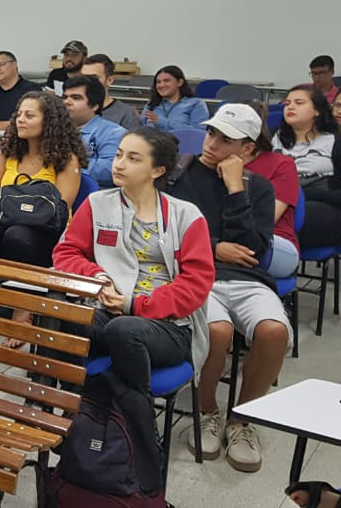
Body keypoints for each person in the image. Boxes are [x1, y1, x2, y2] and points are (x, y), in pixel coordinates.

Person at [52, 127, 215, 495]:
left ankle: (142, 445)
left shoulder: (186, 216)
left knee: (123, 330)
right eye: (119, 154)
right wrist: (98, 278)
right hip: (109, 311)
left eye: (133, 158)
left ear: (158, 171)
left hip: (168, 326)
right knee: (64, 316)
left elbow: (195, 286)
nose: (119, 163)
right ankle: (68, 415)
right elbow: (65, 254)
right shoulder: (98, 204)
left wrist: (133, 304)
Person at [168, 104, 288, 473]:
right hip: (197, 274)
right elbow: (169, 235)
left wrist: (236, 188)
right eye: (211, 134)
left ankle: (241, 420)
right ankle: (207, 412)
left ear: (248, 149)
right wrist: (215, 245)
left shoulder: (259, 187)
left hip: (246, 280)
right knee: (216, 331)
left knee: (274, 331)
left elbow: (256, 251)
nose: (212, 144)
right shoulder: (178, 176)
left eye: (226, 139)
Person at [0, 92, 86, 344]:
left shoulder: (66, 159)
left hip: (46, 234)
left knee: (19, 235)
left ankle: (23, 312)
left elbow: (58, 207)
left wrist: (8, 206)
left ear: (50, 121)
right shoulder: (9, 151)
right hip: (4, 222)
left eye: (30, 115)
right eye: (19, 114)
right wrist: (19, 209)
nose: (20, 120)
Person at [272, 86, 341, 250]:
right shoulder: (273, 138)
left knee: (291, 217)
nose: (290, 107)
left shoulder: (334, 142)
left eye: (299, 103)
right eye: (287, 103)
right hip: (275, 202)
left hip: (319, 207)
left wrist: (298, 194)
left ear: (317, 110)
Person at [243, 101, 301, 279]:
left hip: (273, 240)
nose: (213, 143)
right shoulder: (208, 161)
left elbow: (266, 218)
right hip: (224, 236)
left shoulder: (282, 164)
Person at [63, 75, 126, 187]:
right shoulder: (57, 129)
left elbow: (111, 169)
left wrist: (65, 164)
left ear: (94, 106)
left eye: (76, 98)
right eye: (65, 97)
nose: (67, 102)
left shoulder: (113, 132)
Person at [81, 53, 140, 130]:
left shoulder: (126, 114)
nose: (87, 82)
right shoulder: (73, 110)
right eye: (83, 77)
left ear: (109, 80)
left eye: (93, 78)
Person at [141, 65, 207, 130]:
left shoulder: (196, 104)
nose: (161, 85)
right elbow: (140, 130)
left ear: (180, 82)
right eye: (158, 82)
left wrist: (160, 122)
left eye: (166, 80)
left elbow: (198, 131)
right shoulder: (151, 105)